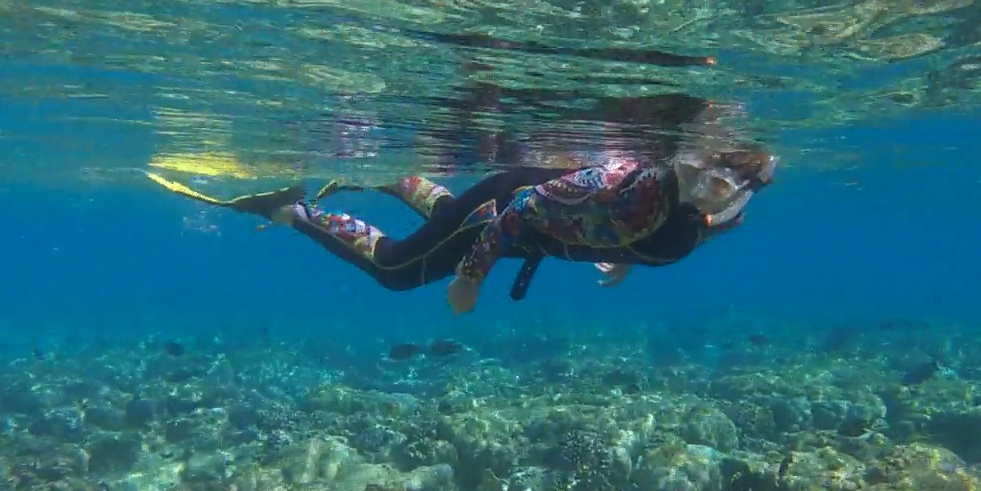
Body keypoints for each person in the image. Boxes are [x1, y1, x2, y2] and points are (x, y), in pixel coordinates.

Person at [145, 148, 776, 314]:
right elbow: (517, 212)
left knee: (446, 218)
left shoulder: (709, 217)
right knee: (398, 271)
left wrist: (627, 257)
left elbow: (674, 228)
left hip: (523, 222)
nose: (699, 191)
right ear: (679, 158)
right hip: (504, 211)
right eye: (693, 171)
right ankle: (290, 210)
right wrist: (470, 279)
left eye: (718, 188)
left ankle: (399, 176)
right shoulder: (620, 190)